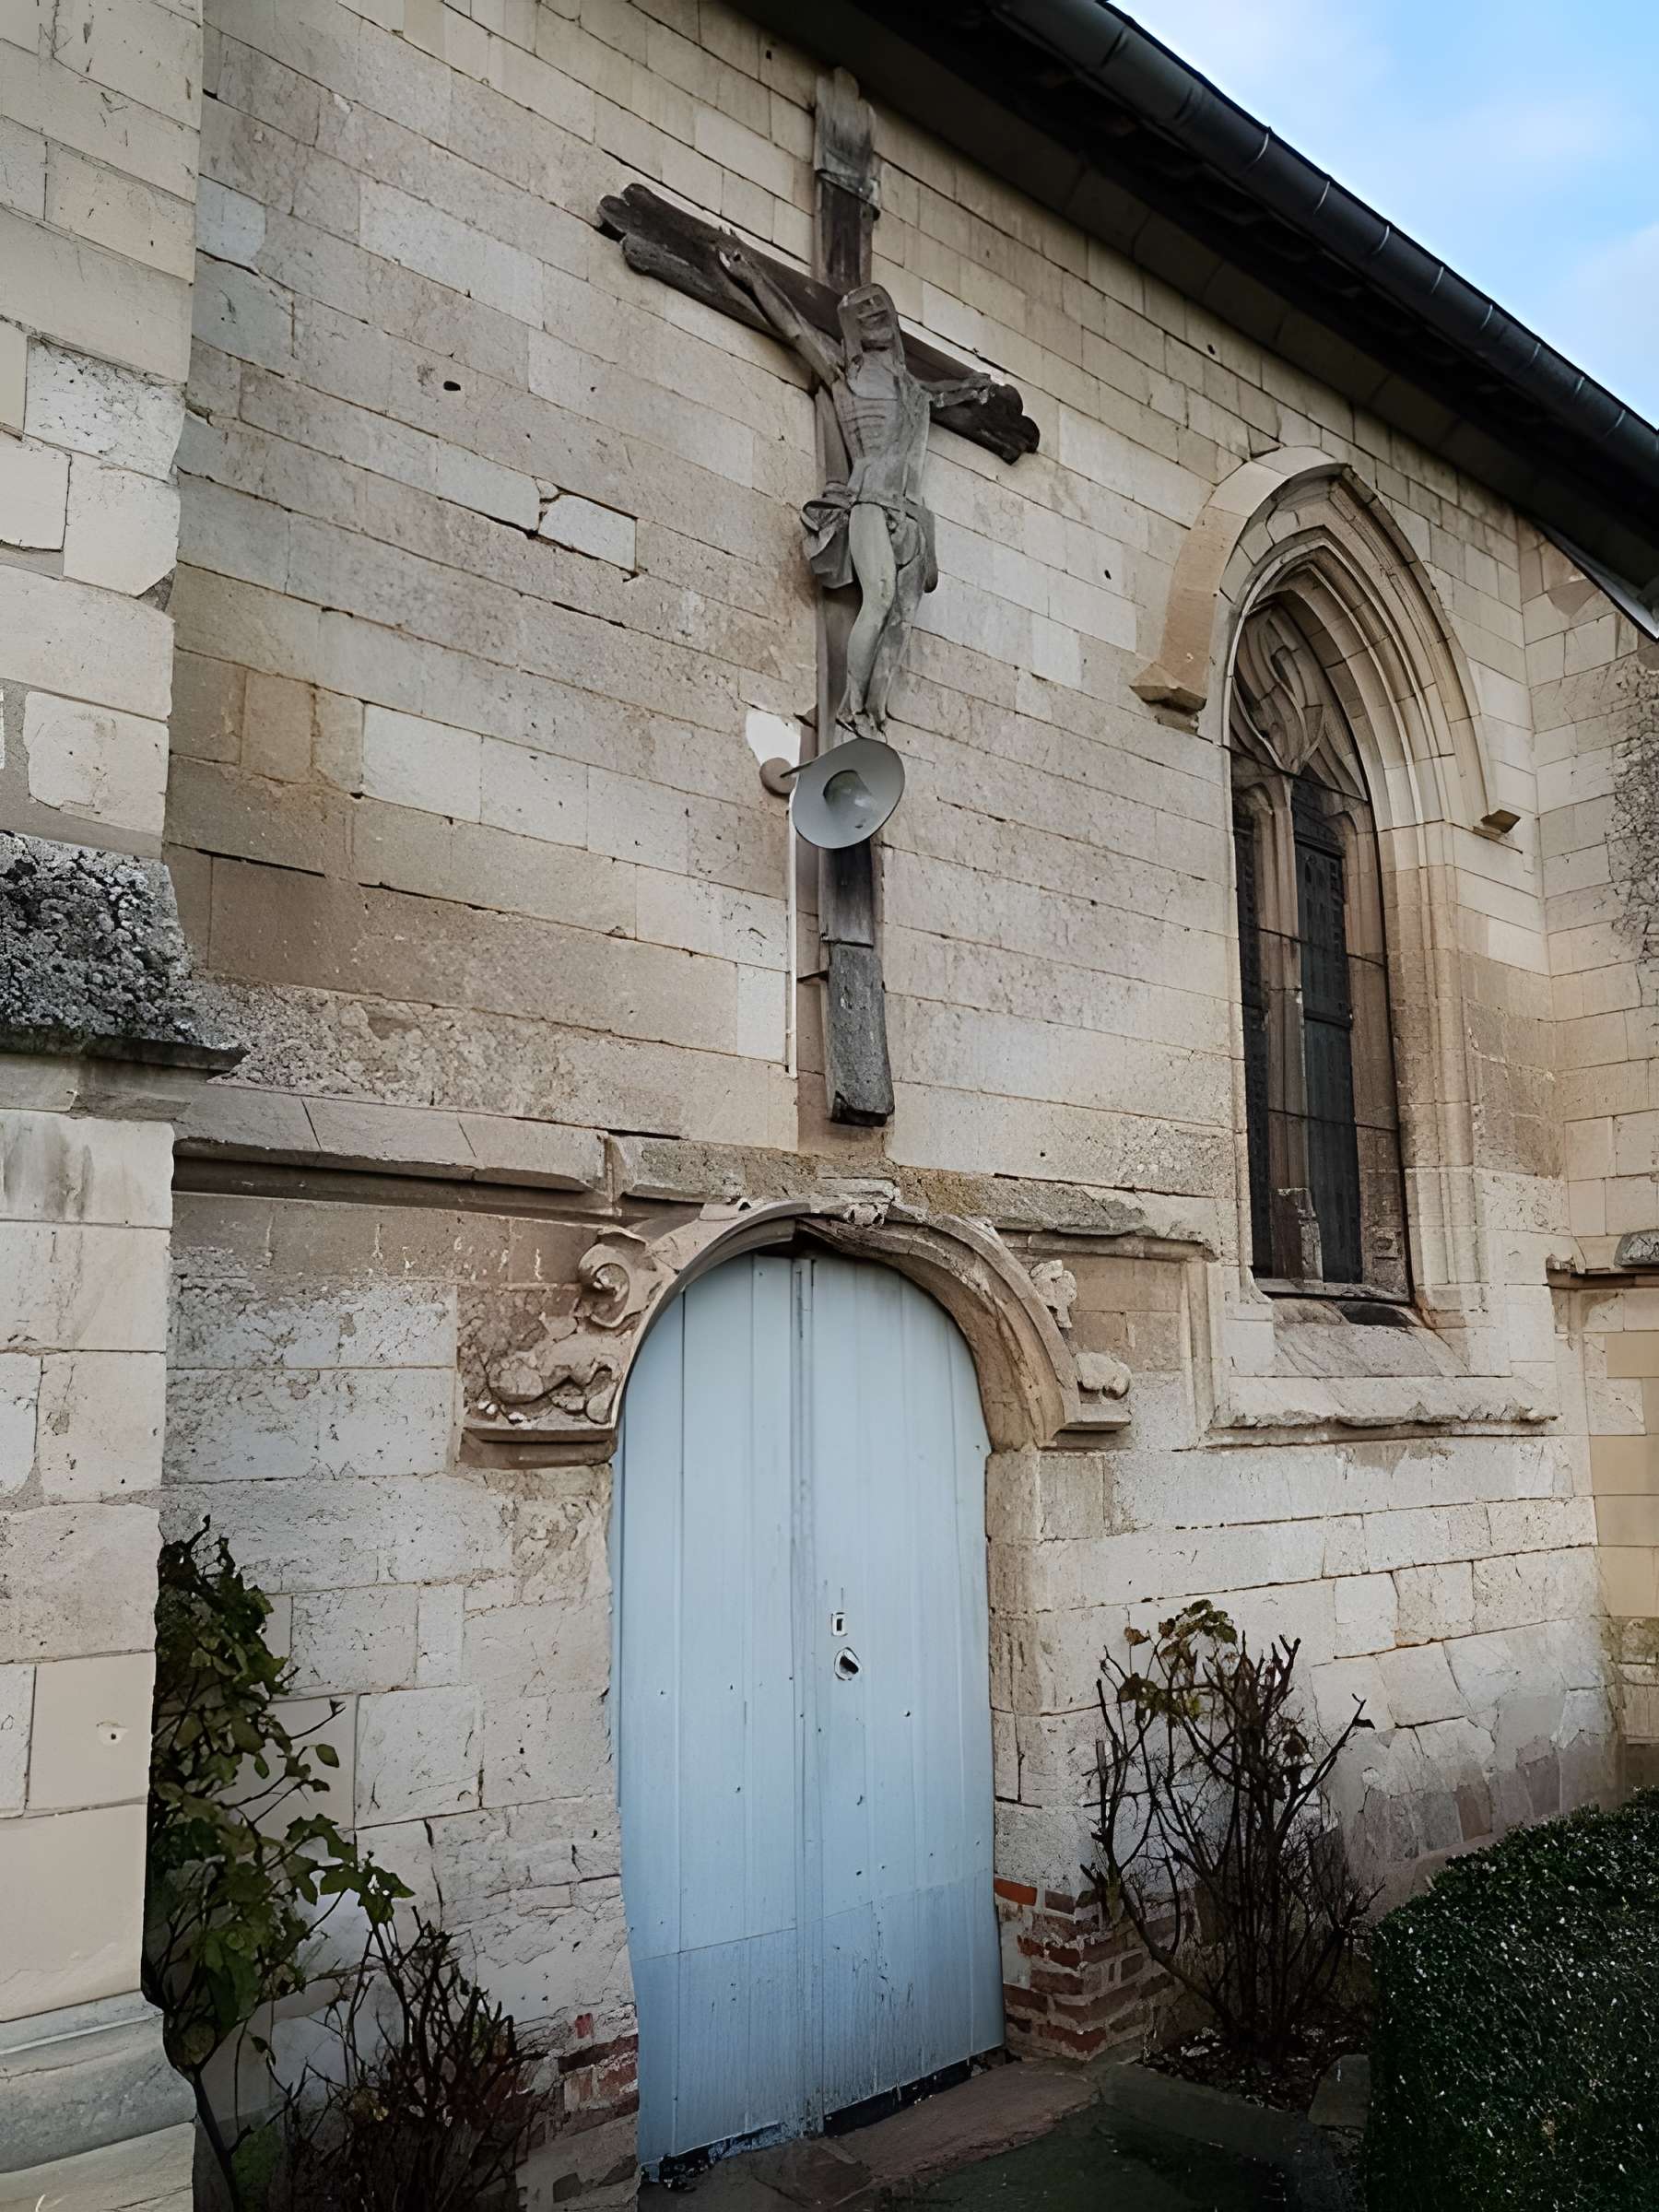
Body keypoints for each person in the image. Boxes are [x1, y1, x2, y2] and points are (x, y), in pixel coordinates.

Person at [719, 245, 992, 739]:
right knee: (880, 596)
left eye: (881, 307)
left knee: (901, 623)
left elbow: (948, 394)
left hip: (913, 520)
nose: (875, 315)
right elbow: (796, 330)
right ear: (854, 328)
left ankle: (874, 715)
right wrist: (754, 278)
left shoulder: (913, 389)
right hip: (871, 506)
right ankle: (851, 710)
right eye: (864, 311)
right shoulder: (845, 377)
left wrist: (974, 385)